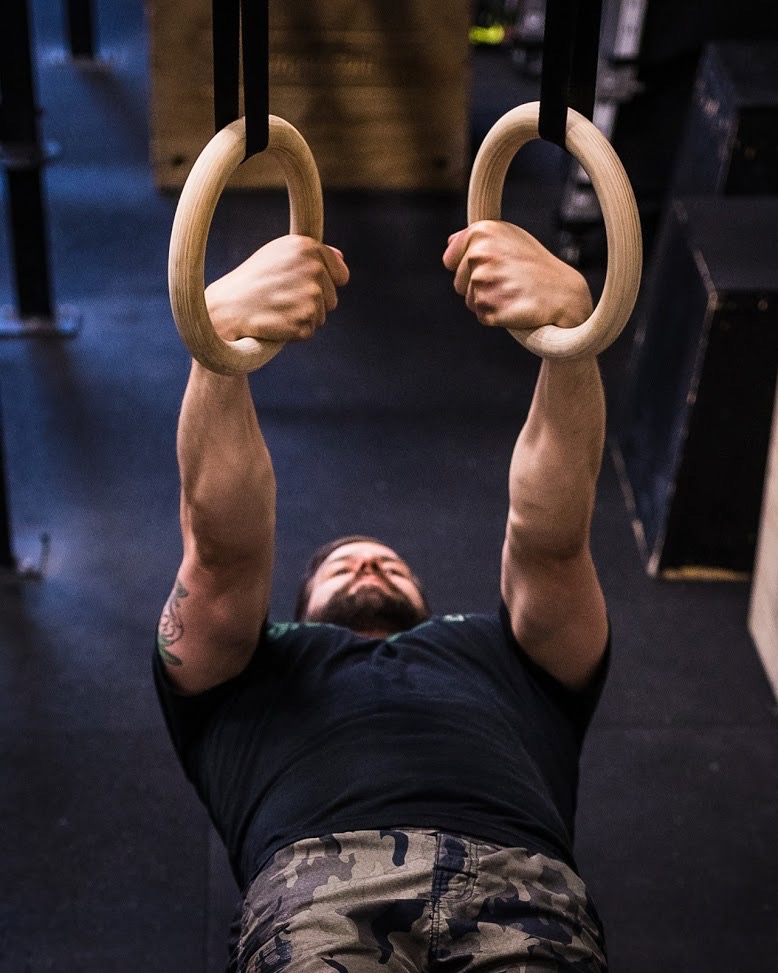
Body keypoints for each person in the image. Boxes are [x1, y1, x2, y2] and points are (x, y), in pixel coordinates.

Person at [154, 220, 611, 972]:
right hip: (317, 893)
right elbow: (223, 549)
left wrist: (572, 337)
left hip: (520, 891)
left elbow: (550, 535)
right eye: (344, 564)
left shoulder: (505, 654)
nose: (369, 565)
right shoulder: (251, 674)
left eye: (387, 563)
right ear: (298, 609)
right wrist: (218, 348)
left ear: (428, 602)